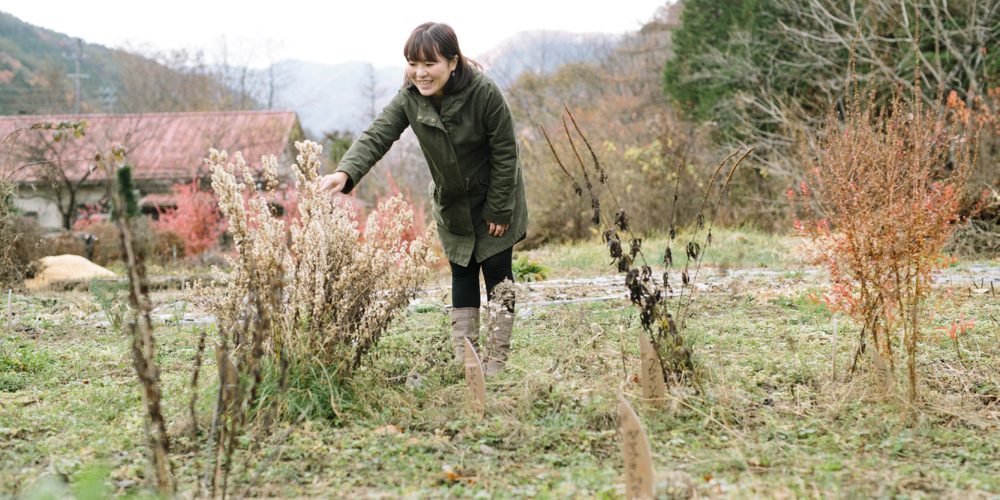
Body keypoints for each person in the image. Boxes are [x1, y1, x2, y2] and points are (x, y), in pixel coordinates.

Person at [319, 22, 528, 376]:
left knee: (496, 271)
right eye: (412, 63)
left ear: (452, 61)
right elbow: (377, 134)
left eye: (429, 63)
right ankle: (468, 362)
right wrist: (345, 173)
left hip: (496, 198)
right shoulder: (410, 99)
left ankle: (496, 363)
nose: (420, 72)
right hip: (453, 205)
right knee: (462, 272)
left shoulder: (484, 93)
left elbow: (507, 152)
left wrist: (499, 207)